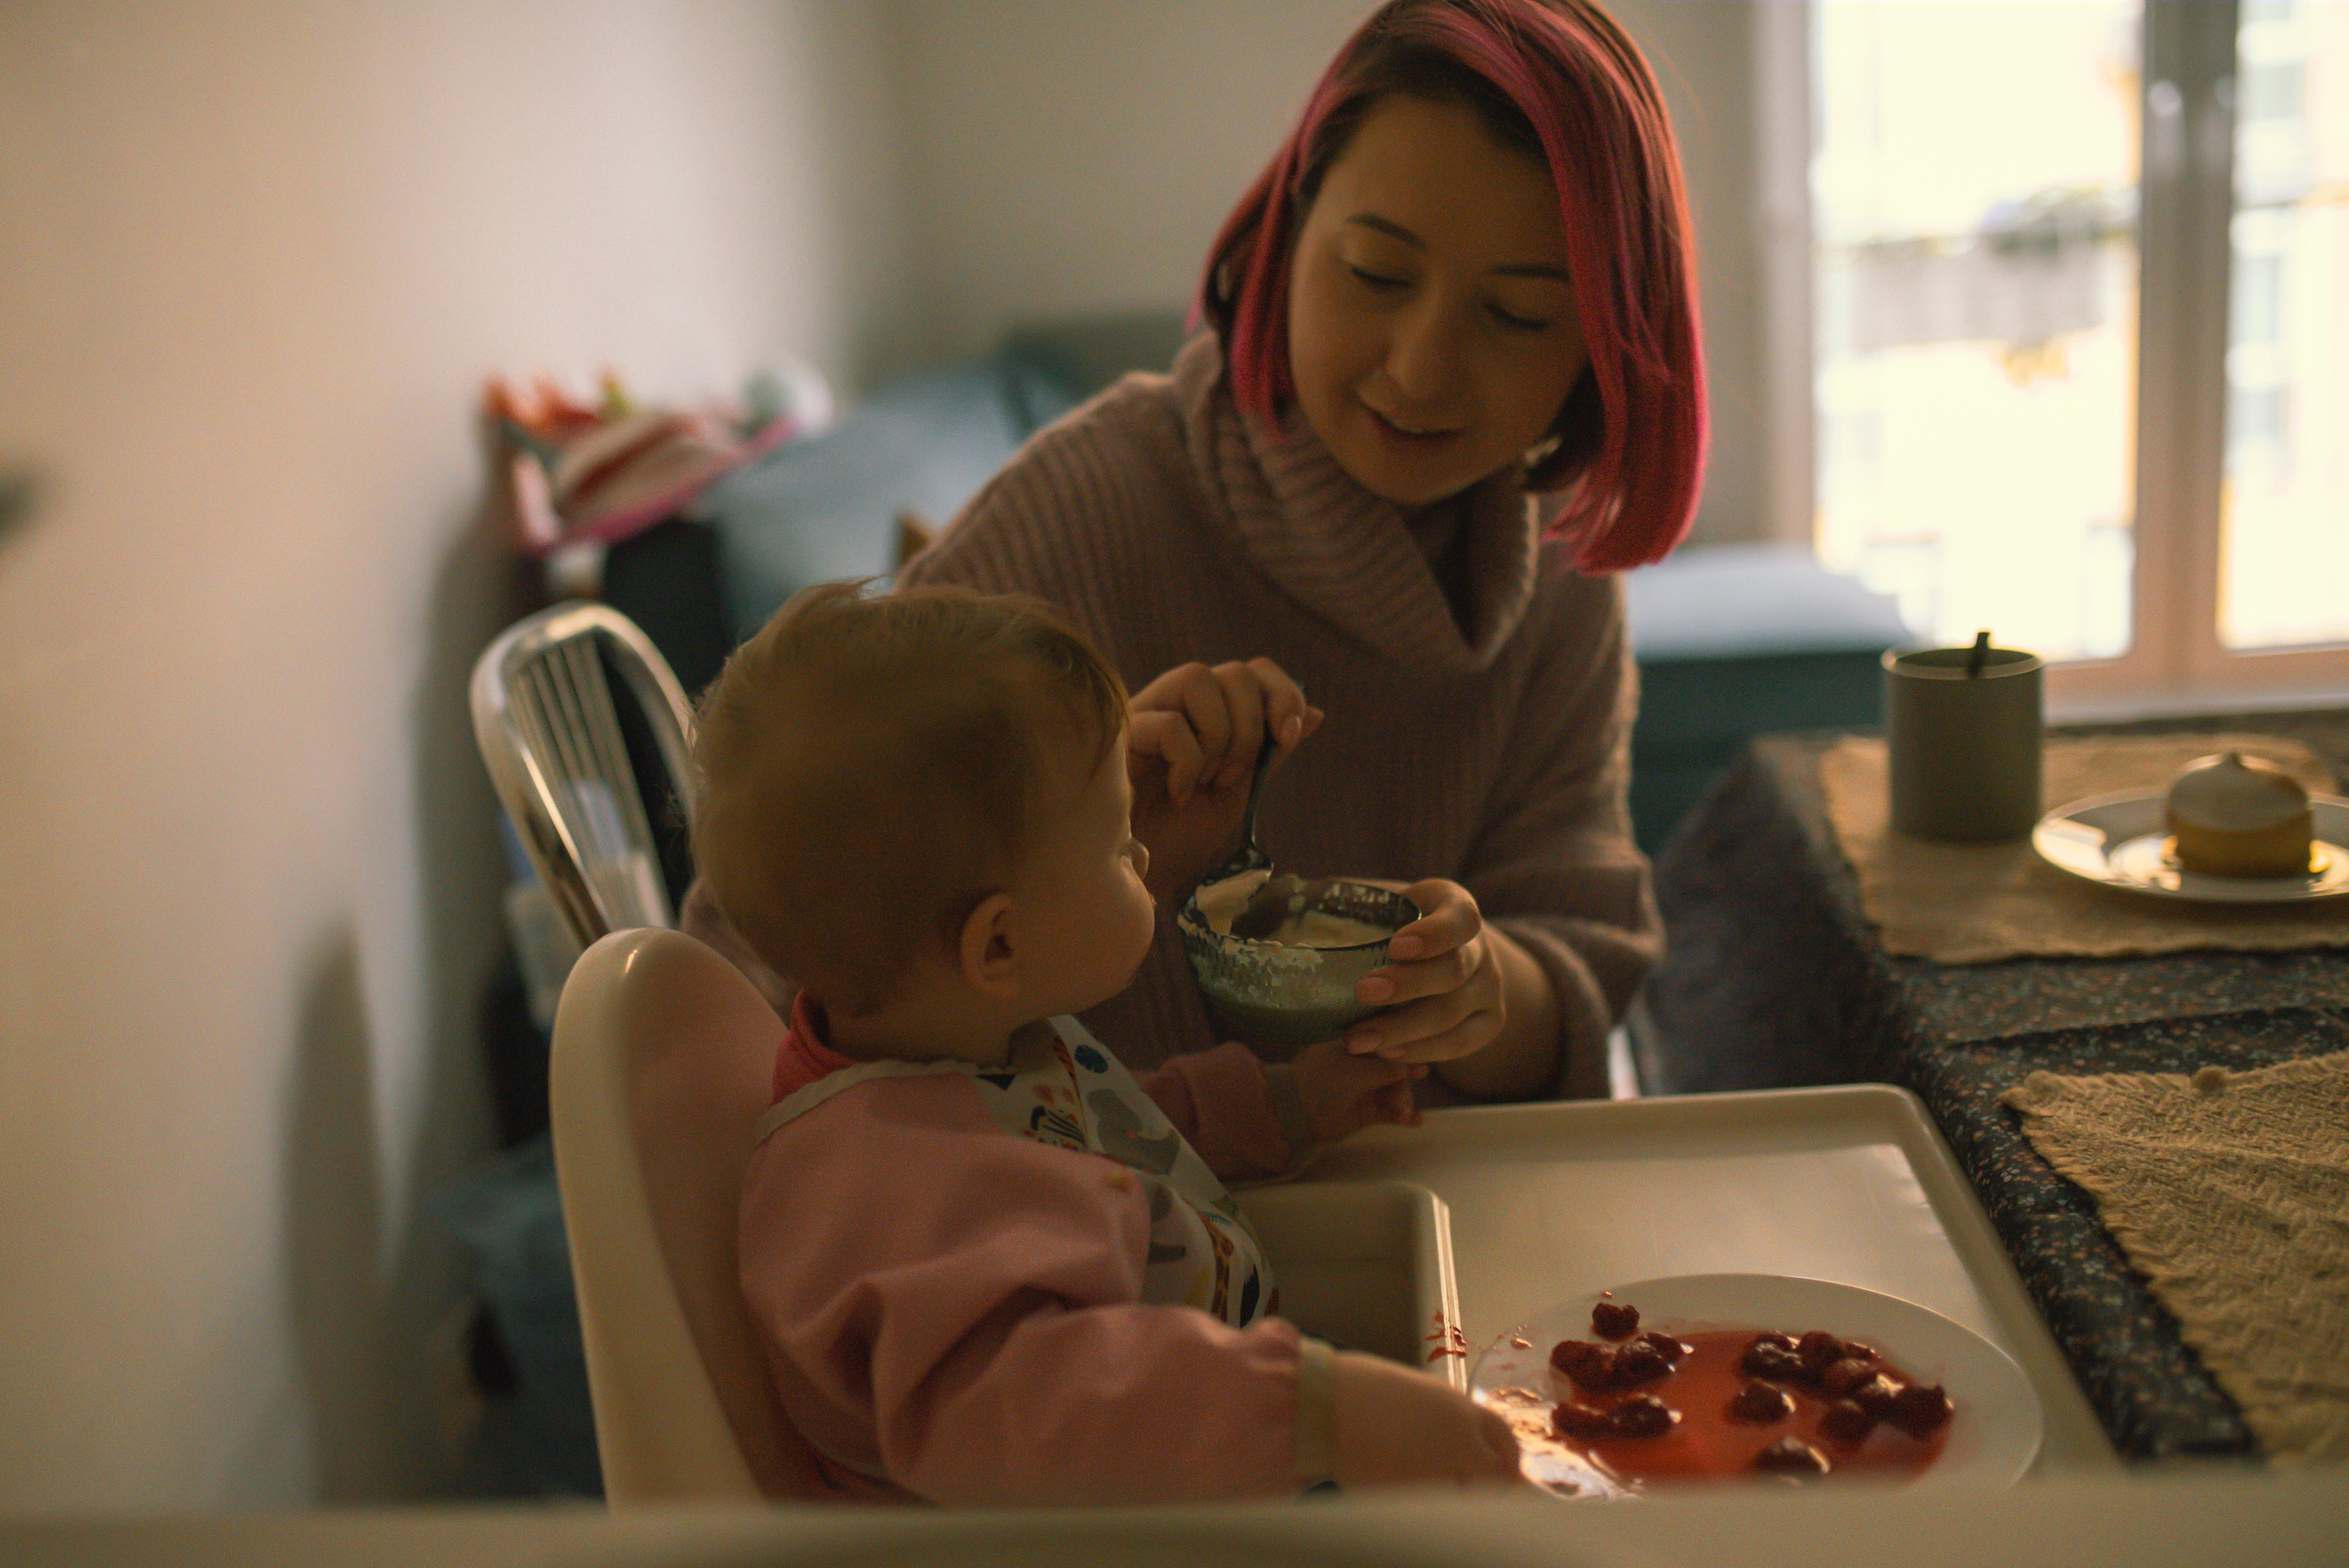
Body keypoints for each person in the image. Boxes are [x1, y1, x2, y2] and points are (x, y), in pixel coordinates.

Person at [893, 0, 1706, 1106]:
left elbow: (1577, 966)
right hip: (1080, 1233)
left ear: (1603, 348)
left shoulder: (1556, 580)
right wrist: (1079, 834)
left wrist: (1470, 992)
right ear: (1285, 232)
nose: (1421, 369)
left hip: (1420, 1212)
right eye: (1375, 273)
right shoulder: (1076, 519)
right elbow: (786, 963)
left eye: (1516, 315)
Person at [692, 581, 1521, 1505]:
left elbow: (1105, 1141)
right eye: (1120, 839)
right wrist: (1321, 1412)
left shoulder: (967, 1055)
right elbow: (1044, 1411)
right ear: (997, 943)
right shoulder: (885, 1190)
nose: (1144, 858)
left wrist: (1291, 1103)